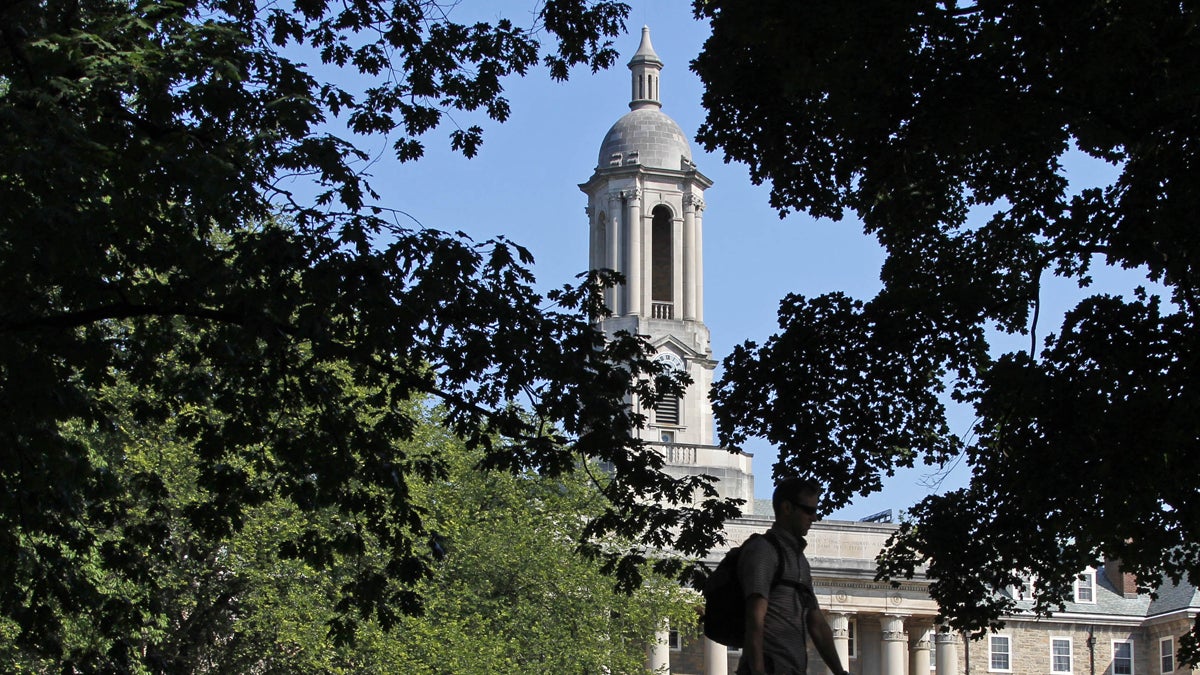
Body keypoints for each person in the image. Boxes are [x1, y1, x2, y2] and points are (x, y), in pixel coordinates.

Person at [737, 477, 850, 675]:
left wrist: (839, 671)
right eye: (809, 510)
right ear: (787, 508)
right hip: (770, 667)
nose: (814, 518)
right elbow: (754, 616)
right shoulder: (764, 551)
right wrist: (758, 670)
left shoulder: (799, 560)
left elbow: (817, 622)